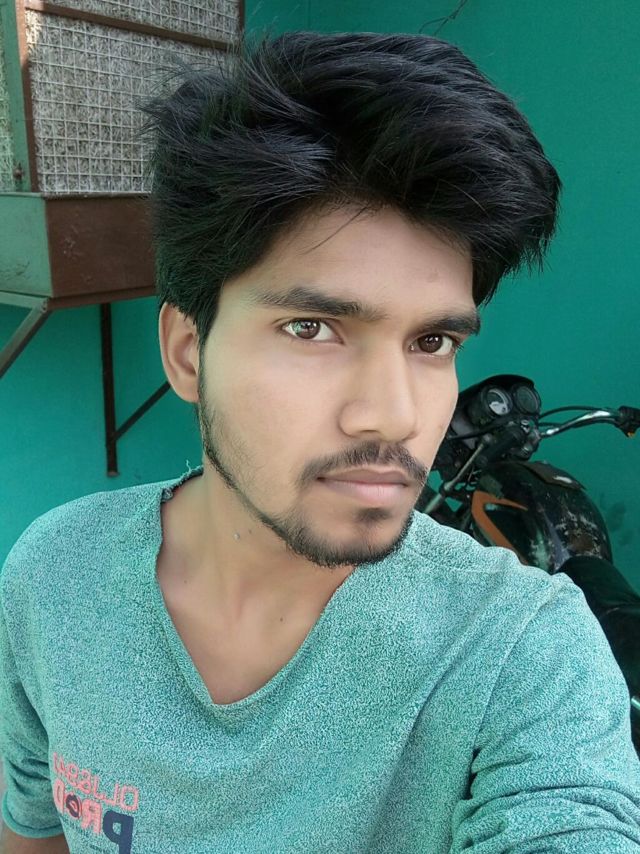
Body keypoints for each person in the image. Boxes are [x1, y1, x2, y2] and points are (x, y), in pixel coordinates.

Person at [1, 30, 639, 854]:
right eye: (313, 327)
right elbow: (34, 830)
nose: (393, 416)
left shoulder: (520, 653)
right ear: (188, 351)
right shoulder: (53, 577)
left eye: (433, 342)